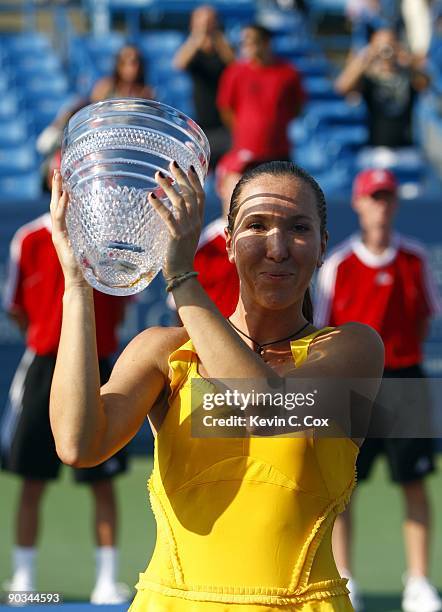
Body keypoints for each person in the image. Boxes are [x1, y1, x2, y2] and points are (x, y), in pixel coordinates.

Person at [49, 160, 384, 611]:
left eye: (299, 228)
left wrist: (182, 279)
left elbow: (268, 409)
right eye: (257, 225)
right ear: (227, 244)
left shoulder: (352, 348)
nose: (278, 248)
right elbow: (78, 443)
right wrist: (77, 284)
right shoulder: (163, 352)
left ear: (323, 245)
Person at [0, 160, 130, 605]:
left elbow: (123, 302)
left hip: (99, 366)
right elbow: (16, 307)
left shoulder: (110, 242)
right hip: (43, 368)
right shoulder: (30, 239)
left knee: (103, 481)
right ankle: (23, 583)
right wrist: (49, 337)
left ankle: (107, 582)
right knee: (32, 479)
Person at [315, 168, 442, 612]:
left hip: (406, 381)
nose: (380, 206)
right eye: (373, 197)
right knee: (345, 488)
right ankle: (346, 578)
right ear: (358, 203)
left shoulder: (415, 258)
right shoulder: (339, 266)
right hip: (353, 388)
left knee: (413, 482)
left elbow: (427, 315)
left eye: (386, 197)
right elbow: (323, 330)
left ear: (395, 204)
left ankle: (420, 581)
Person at [217, 25, 306, 161]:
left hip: (279, 149)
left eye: (251, 40)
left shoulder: (288, 72)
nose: (246, 45)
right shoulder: (234, 72)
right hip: (245, 150)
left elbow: (298, 105)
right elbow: (226, 108)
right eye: (243, 42)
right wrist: (245, 131)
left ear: (266, 42)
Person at [335, 28, 429, 149]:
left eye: (391, 43)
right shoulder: (369, 77)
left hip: (407, 149)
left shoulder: (407, 75)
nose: (386, 49)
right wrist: (368, 55)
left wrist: (406, 57)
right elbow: (341, 87)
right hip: (376, 148)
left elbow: (425, 83)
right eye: (381, 44)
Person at [173, 5, 235, 168]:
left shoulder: (223, 46)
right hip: (201, 121)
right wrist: (198, 34)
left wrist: (216, 36)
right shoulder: (192, 48)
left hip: (224, 122)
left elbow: (234, 64)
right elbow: (179, 63)